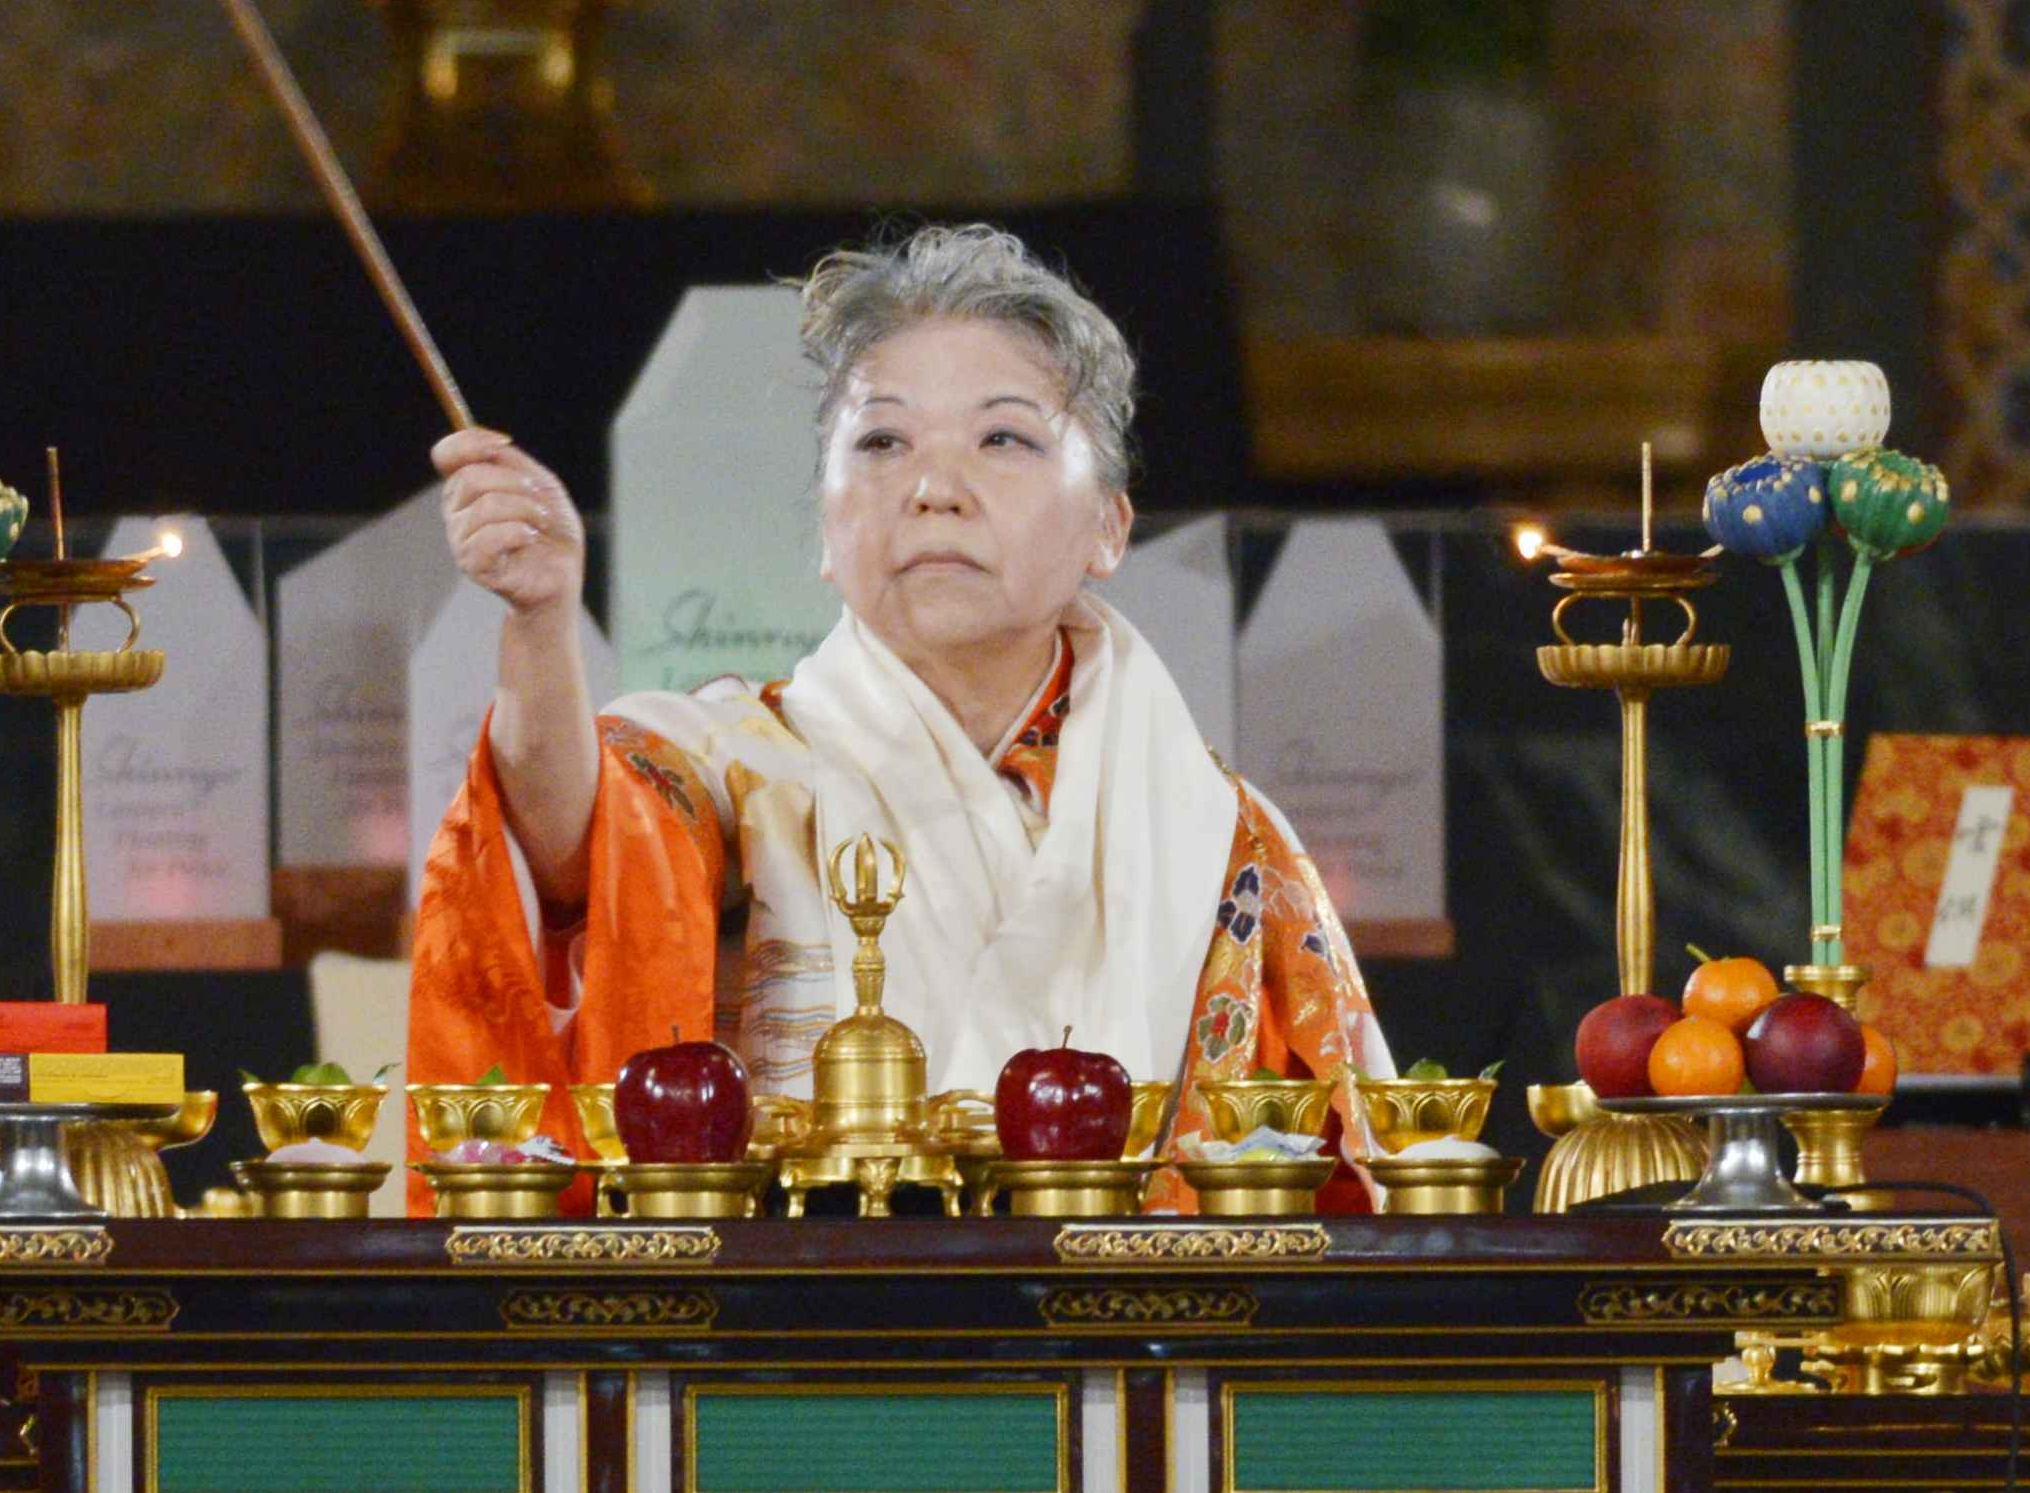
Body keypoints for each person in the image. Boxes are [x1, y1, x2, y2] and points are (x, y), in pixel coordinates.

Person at [407, 223, 1392, 1211]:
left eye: (1002, 437)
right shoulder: (742, 764)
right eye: (881, 442)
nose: (932, 490)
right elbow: (567, 842)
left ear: (1107, 525)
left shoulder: (1217, 835)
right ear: (825, 534)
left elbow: (1335, 1180)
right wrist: (540, 621)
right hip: (788, 1340)